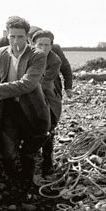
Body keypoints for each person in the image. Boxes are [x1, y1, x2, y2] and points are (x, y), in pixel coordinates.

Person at [0, 16, 50, 194]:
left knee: (28, 153)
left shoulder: (37, 55)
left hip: (32, 109)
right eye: (12, 36)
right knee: (8, 153)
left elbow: (28, 84)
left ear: (27, 37)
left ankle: (26, 186)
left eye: (20, 36)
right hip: (9, 110)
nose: (15, 40)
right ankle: (14, 183)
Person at [30, 30, 62, 177]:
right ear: (33, 44)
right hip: (28, 91)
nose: (43, 48)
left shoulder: (55, 60)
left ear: (51, 45)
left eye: (46, 45)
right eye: (40, 44)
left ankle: (47, 162)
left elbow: (44, 82)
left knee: (49, 127)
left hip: (47, 95)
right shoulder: (28, 55)